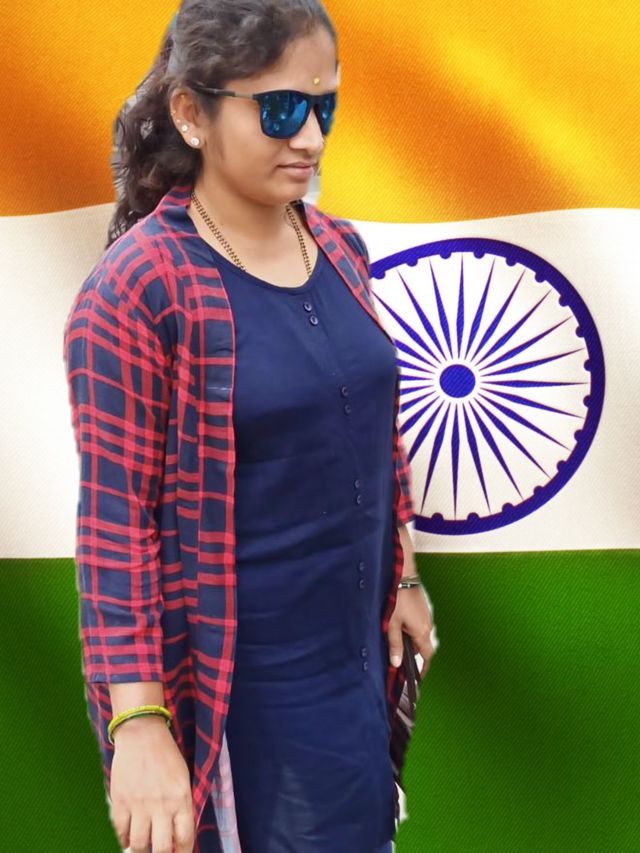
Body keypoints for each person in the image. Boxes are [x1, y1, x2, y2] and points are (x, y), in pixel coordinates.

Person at [62, 1, 435, 851]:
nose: (310, 137)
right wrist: (140, 724)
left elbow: (369, 427)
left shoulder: (338, 247)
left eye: (324, 106)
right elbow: (115, 524)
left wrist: (405, 571)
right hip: (239, 695)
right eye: (279, 109)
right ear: (192, 113)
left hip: (352, 669)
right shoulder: (137, 292)